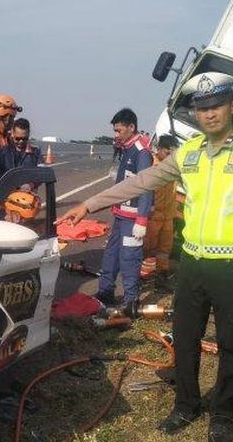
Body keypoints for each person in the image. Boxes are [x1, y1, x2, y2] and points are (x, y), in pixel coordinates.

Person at [56, 72, 233, 442]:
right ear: (196, 113)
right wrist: (89, 204)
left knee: (230, 344)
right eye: (202, 108)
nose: (209, 114)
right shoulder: (190, 152)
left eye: (216, 106)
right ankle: (186, 405)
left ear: (232, 106)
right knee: (185, 338)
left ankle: (223, 416)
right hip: (194, 264)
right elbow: (141, 181)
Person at [94, 108, 153, 311]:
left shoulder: (141, 151)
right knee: (110, 255)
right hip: (120, 215)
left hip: (133, 218)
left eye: (119, 131)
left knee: (129, 258)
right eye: (115, 131)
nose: (116, 135)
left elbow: (146, 186)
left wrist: (142, 221)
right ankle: (105, 292)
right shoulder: (127, 148)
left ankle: (131, 301)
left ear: (131, 127)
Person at [143, 134, 179, 282]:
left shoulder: (173, 168)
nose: (170, 156)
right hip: (153, 216)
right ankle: (142, 276)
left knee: (165, 248)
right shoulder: (150, 167)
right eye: (167, 153)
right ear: (159, 149)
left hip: (168, 216)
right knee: (147, 248)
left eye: (172, 153)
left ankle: (161, 274)